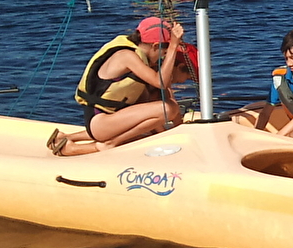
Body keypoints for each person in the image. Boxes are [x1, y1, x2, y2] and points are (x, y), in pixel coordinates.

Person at [49, 16, 189, 156]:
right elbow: (161, 82)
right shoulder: (126, 56)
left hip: (109, 120)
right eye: (163, 53)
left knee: (146, 131)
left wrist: (170, 134)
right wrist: (173, 47)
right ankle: (100, 146)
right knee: (169, 108)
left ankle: (67, 138)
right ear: (155, 46)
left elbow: (150, 108)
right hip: (99, 121)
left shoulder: (139, 60)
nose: (161, 59)